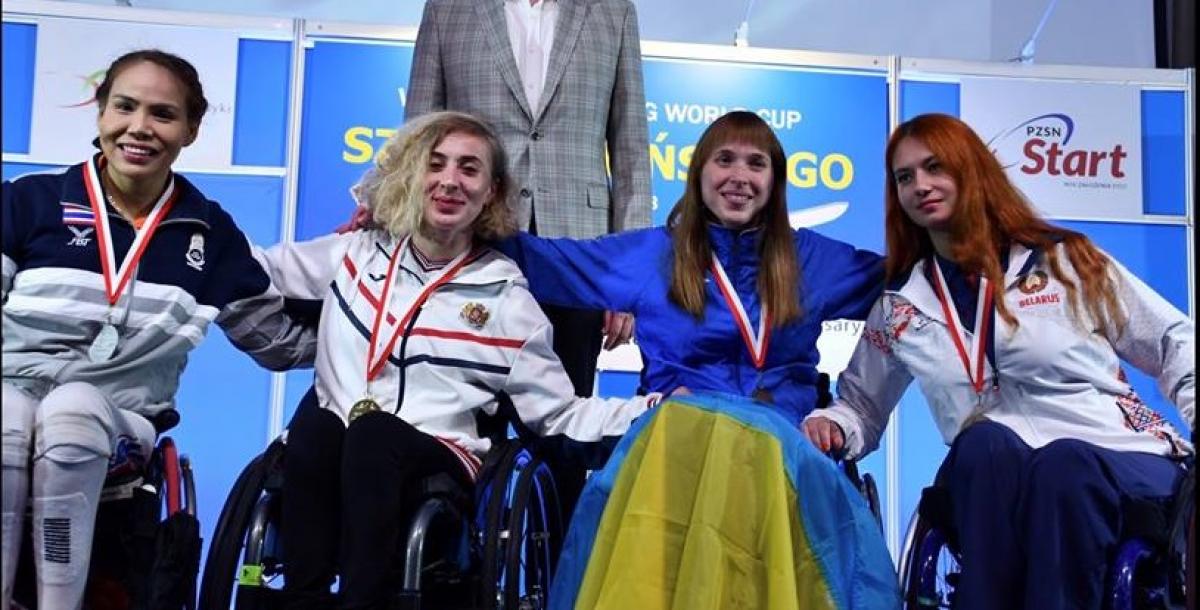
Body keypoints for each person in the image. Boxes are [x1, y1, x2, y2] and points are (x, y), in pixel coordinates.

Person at [256, 111, 661, 609]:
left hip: (439, 454)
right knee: (317, 425)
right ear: (414, 176)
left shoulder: (506, 297)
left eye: (469, 169)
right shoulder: (356, 254)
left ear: (491, 192)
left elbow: (557, 414)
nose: (450, 181)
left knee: (372, 434)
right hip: (338, 442)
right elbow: (252, 274)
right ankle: (304, 598)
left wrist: (650, 411)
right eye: (436, 164)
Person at [803, 113, 1195, 609]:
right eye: (905, 177)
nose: (920, 185)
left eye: (935, 167)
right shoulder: (900, 306)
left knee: (1063, 464)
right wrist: (832, 424)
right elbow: (860, 405)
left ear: (971, 172)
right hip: (994, 468)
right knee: (983, 444)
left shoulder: (1066, 262)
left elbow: (1173, 339)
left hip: (1112, 452)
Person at [1, 49, 315, 610]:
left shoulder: (208, 231)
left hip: (119, 422)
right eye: (125, 107)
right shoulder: (28, 202)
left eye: (163, 114)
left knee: (70, 410)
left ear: (191, 129)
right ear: (100, 114)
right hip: (9, 400)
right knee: (8, 417)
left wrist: (372, 323)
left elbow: (274, 341)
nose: (139, 128)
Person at [407, 0, 655, 513]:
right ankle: (453, 570)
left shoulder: (613, 12)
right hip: (471, 249)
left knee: (567, 435)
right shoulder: (449, 9)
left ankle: (559, 570)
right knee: (464, 425)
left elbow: (630, 148)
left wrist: (627, 279)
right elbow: (419, 132)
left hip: (578, 258)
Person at [498, 110, 885, 428]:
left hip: (782, 440)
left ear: (774, 181)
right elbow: (551, 262)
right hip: (679, 439)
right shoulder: (654, 254)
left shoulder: (811, 259)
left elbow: (905, 282)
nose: (739, 177)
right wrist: (472, 222)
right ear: (699, 174)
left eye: (756, 163)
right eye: (725, 160)